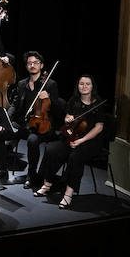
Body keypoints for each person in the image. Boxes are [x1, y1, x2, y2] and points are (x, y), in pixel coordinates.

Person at [35, 74, 110, 208]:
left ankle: (68, 193)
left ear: (92, 86)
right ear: (78, 86)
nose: (84, 86)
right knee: (52, 149)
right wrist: (67, 119)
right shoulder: (74, 100)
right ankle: (47, 184)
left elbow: (99, 127)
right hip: (72, 136)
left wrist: (81, 140)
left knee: (75, 157)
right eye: (81, 84)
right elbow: (68, 115)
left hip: (89, 141)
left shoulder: (98, 104)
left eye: (88, 84)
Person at [8, 51, 62, 189]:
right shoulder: (21, 84)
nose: (32, 65)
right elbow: (15, 104)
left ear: (41, 65)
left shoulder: (50, 85)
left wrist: (48, 98)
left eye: (35, 63)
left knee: (32, 140)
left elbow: (58, 110)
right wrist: (7, 118)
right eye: (29, 63)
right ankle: (2, 170)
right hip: (24, 123)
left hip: (42, 126)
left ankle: (31, 175)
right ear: (26, 66)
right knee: (2, 132)